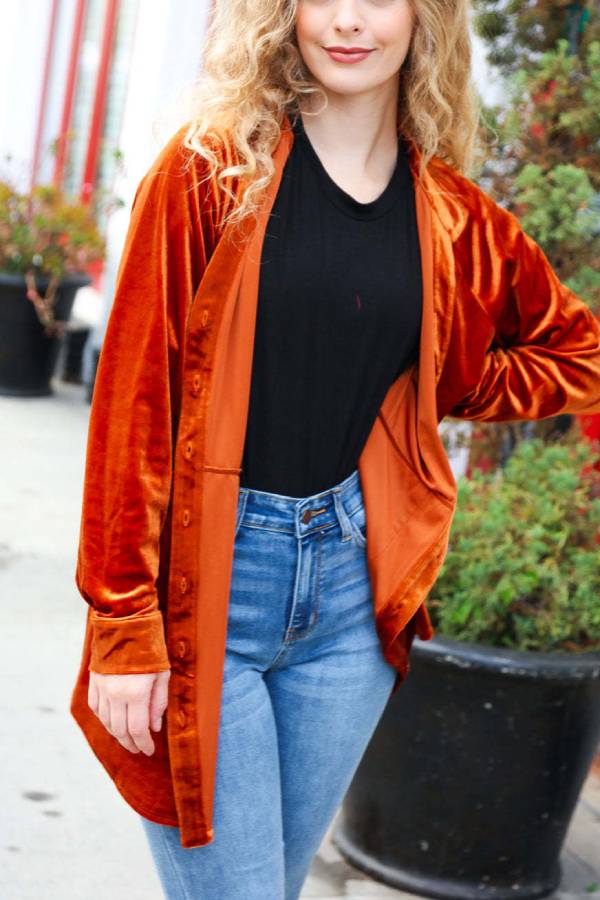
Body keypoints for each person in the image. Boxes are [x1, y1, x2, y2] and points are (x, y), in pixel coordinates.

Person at [69, 1, 600, 898]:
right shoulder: (209, 174)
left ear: (423, 20)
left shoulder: (454, 219)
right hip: (208, 592)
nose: (350, 21)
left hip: (351, 603)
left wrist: (442, 380)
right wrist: (122, 625)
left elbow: (573, 354)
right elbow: (133, 403)